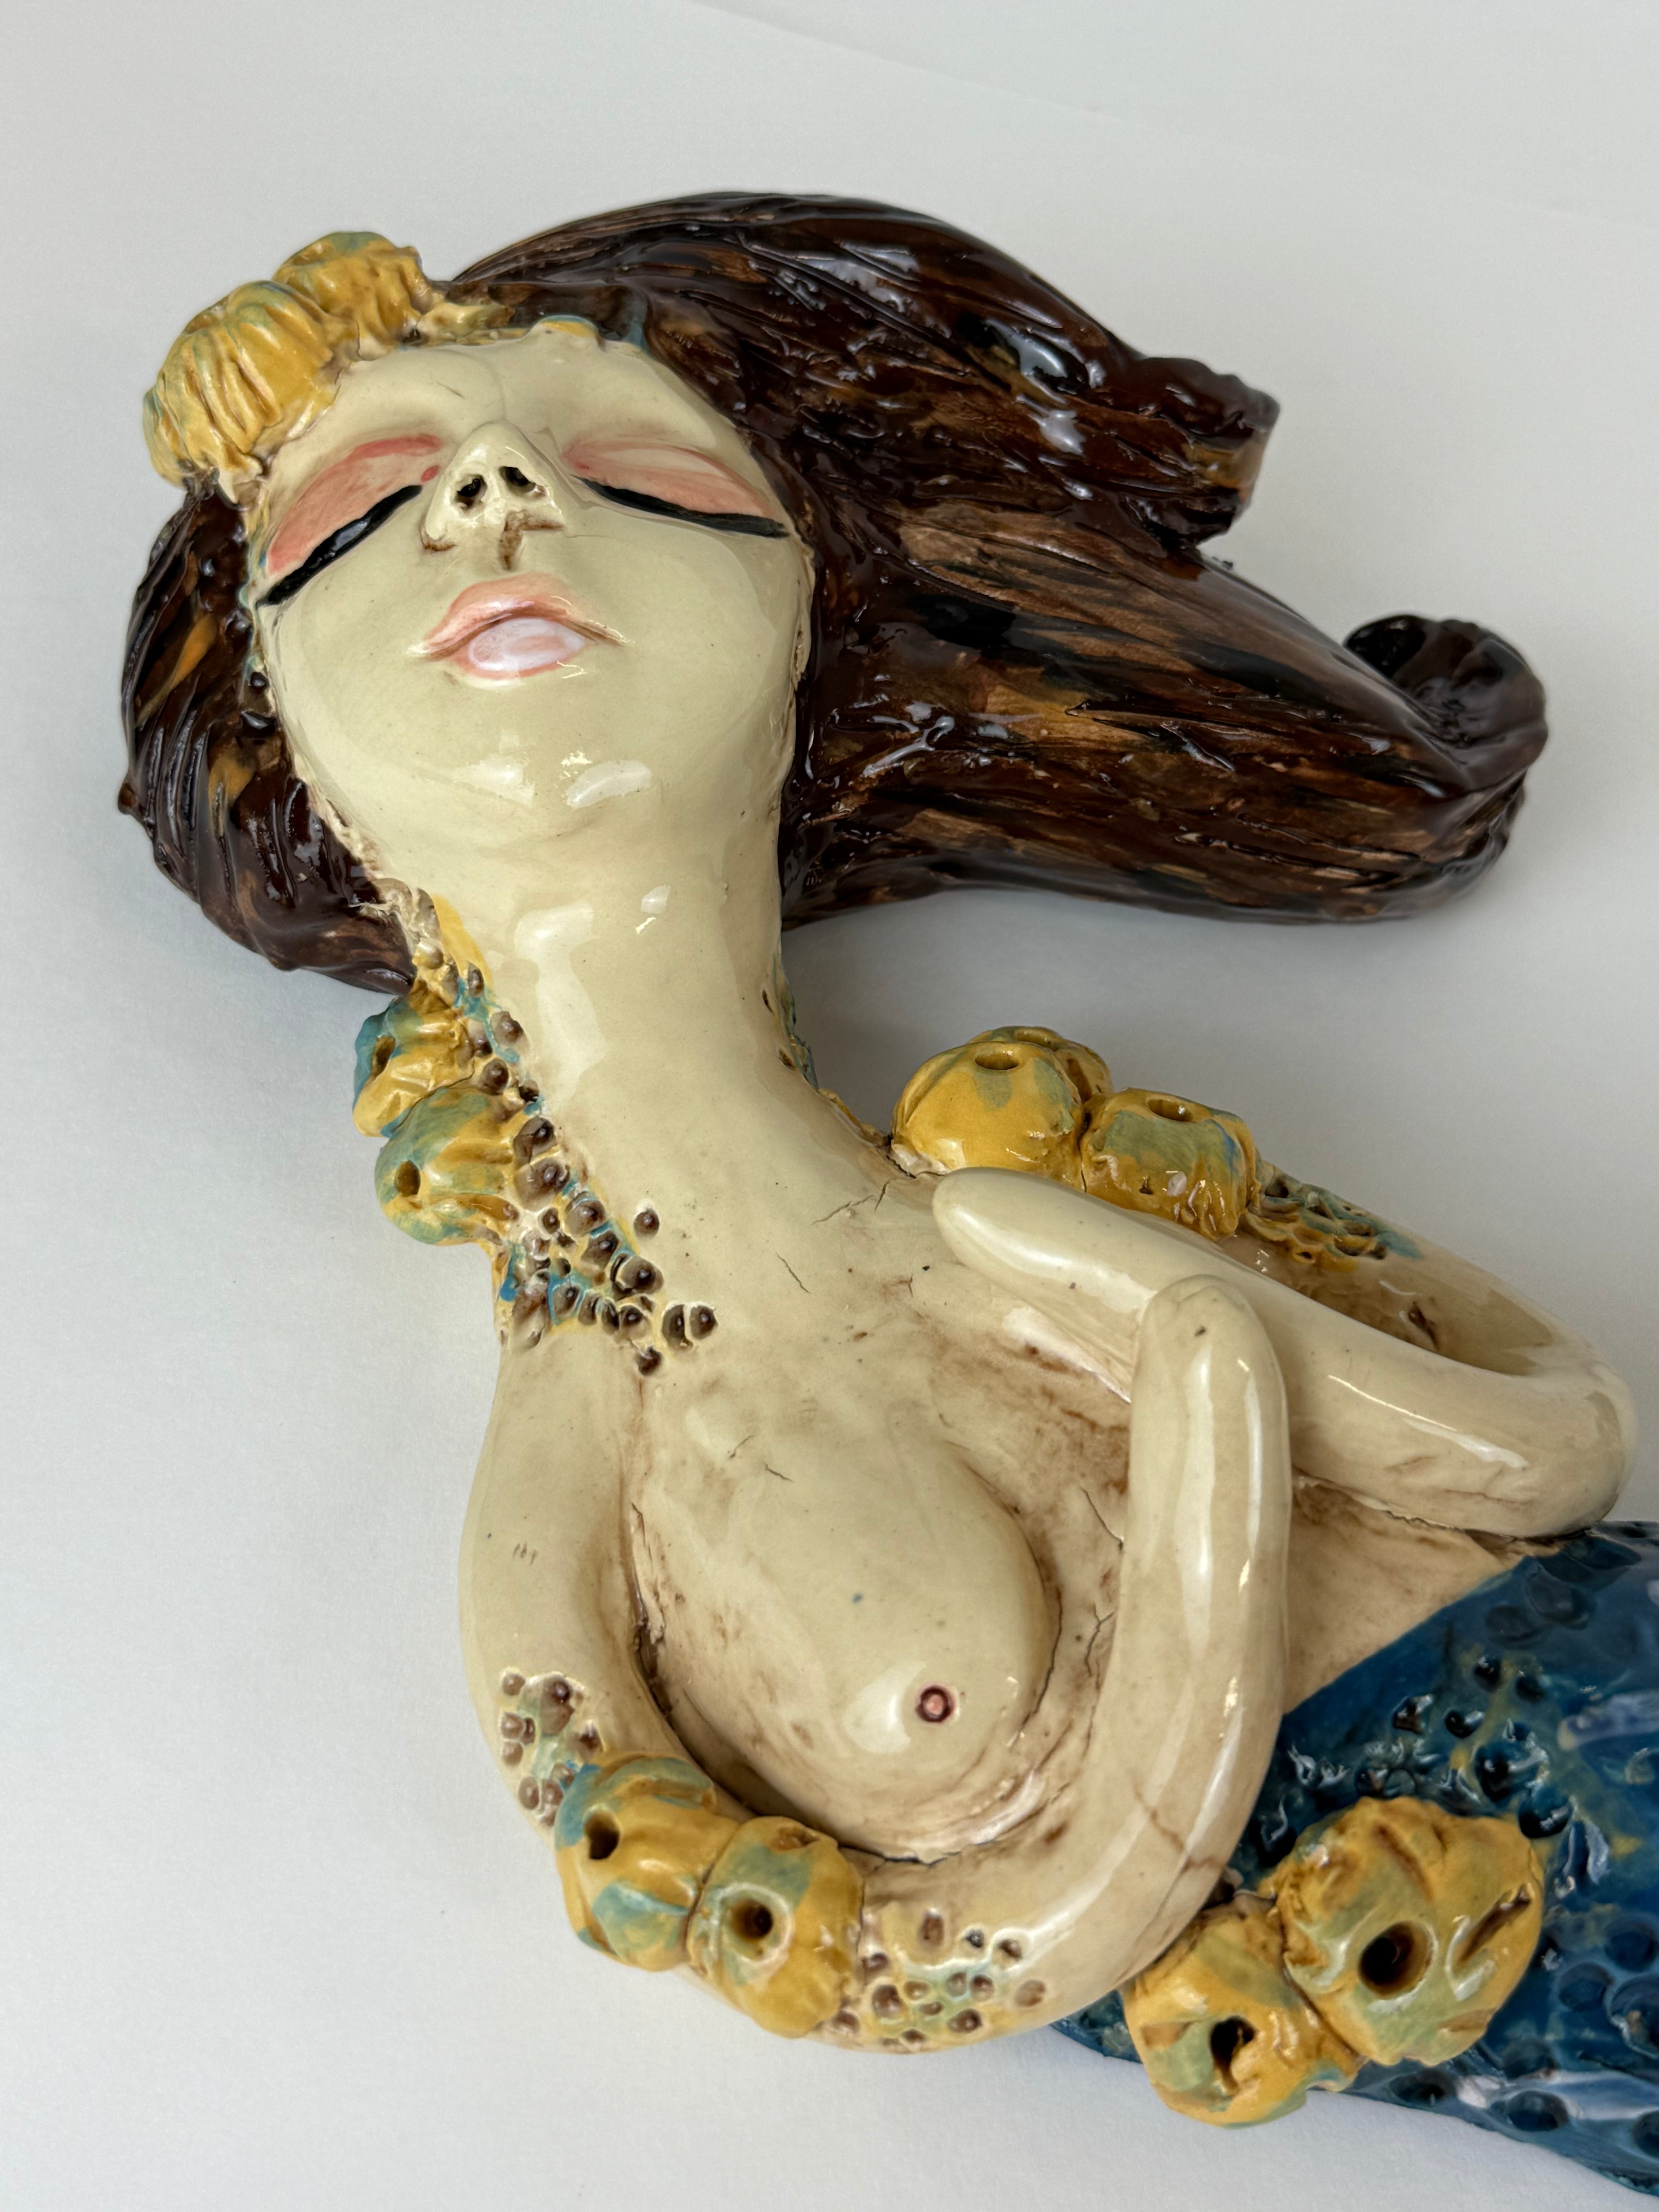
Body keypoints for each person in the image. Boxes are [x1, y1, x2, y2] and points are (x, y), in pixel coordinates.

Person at [123, 203, 1649, 2187]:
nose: (495, 493)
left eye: (637, 472)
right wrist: (1200, 1500)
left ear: (808, 610)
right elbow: (896, 1958)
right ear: (279, 719)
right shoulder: (573, 1493)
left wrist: (1182, 1305)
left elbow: (1552, 1446)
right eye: (361, 510)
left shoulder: (1032, 1176)